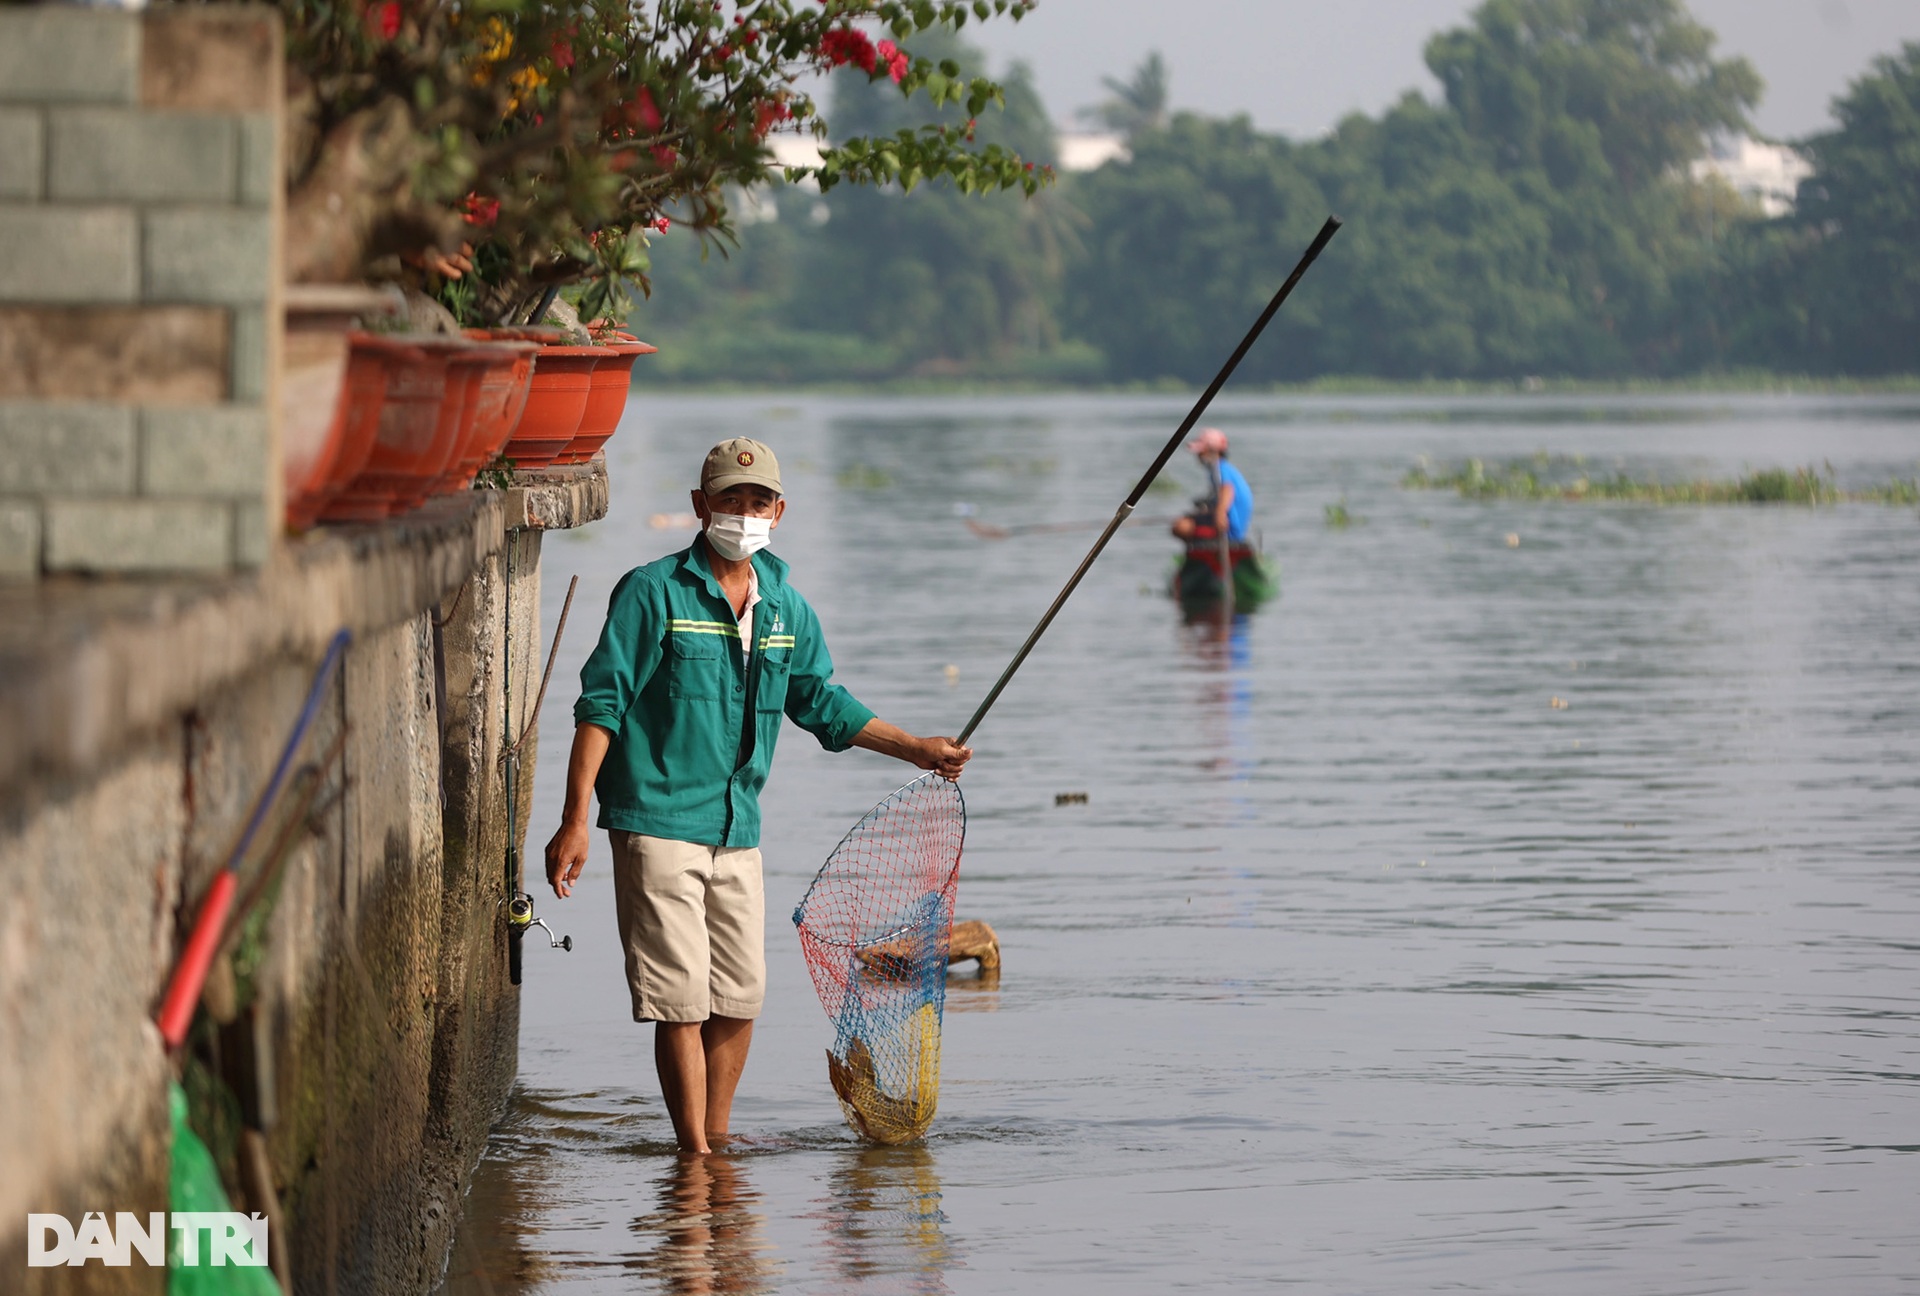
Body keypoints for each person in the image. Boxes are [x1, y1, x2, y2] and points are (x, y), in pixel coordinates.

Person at [544, 437, 971, 1156]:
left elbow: (823, 705)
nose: (744, 514)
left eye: (757, 502)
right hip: (655, 821)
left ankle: (716, 1140)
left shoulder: (785, 610)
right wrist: (574, 820)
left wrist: (918, 749)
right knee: (679, 1001)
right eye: (729, 500)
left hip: (737, 828)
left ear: (779, 510)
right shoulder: (655, 593)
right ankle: (696, 1155)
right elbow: (603, 705)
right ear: (699, 506)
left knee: (740, 998)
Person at [1169, 427, 1253, 544]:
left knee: (1181, 527)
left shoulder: (1219, 469)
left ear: (1213, 451)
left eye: (1201, 452)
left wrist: (1220, 512)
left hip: (1230, 526)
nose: (1198, 456)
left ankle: (1200, 555)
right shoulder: (1223, 469)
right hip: (1229, 522)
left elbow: (1227, 489)